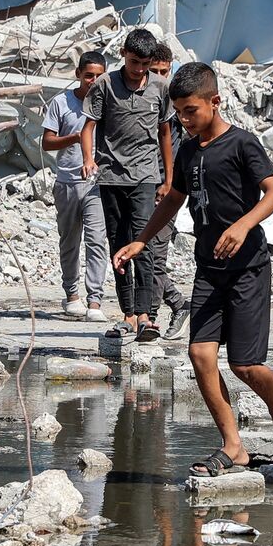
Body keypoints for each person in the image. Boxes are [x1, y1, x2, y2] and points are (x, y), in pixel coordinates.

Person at [113, 62, 273, 477]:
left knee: (244, 365)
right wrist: (142, 238)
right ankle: (233, 445)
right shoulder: (186, 149)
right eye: (178, 112)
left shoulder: (241, 144)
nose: (183, 119)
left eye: (190, 111)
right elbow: (173, 199)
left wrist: (243, 224)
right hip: (208, 269)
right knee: (200, 354)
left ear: (214, 102)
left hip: (248, 267)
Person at [81, 28, 174, 342]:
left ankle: (147, 315)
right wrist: (89, 159)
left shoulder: (160, 87)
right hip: (111, 177)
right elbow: (89, 126)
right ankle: (128, 314)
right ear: (123, 54)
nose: (139, 70)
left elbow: (164, 134)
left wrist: (169, 178)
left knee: (143, 242)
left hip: (146, 177)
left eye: (144, 64)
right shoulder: (105, 85)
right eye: (134, 62)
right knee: (118, 244)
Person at [41, 51, 109, 322]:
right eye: (89, 75)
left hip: (96, 183)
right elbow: (47, 142)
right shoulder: (61, 103)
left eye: (99, 76)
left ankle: (95, 300)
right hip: (67, 182)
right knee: (70, 241)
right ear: (78, 74)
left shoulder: (108, 103)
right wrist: (75, 138)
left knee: (96, 241)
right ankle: (72, 295)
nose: (93, 81)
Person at [147, 42, 190, 340]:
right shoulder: (140, 102)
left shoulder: (178, 109)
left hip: (167, 192)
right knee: (137, 252)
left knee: (154, 255)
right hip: (139, 187)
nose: (160, 78)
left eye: (165, 72)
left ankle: (149, 319)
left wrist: (172, 185)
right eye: (154, 72)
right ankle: (175, 303)